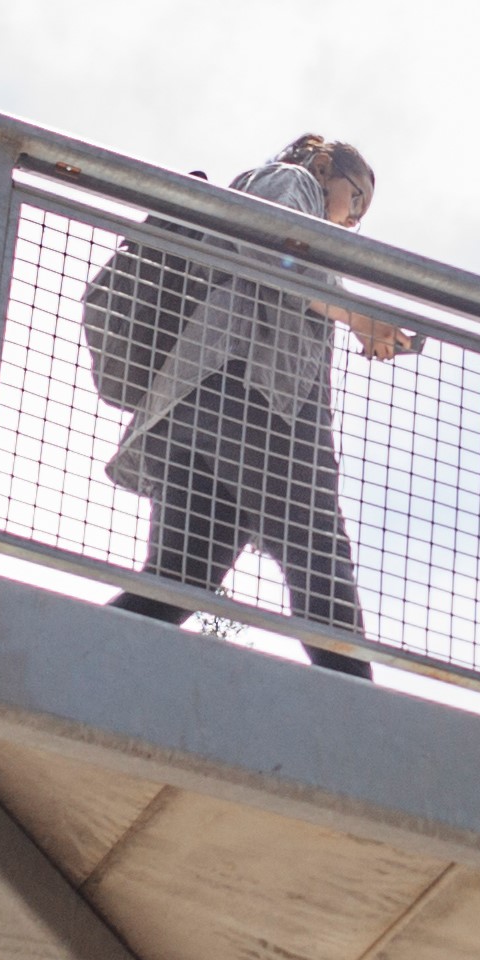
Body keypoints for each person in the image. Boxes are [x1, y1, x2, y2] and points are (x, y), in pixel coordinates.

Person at [96, 134, 415, 676]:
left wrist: (354, 315)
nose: (354, 218)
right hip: (252, 398)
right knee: (320, 562)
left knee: (180, 578)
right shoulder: (292, 182)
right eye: (356, 198)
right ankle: (360, 731)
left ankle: (72, 661)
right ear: (322, 164)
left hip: (202, 408)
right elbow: (275, 245)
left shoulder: (310, 214)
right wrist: (357, 315)